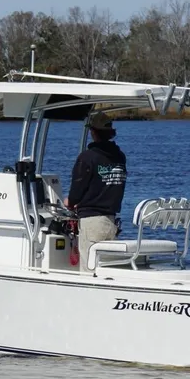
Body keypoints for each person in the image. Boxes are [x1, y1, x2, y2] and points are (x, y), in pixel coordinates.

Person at [63, 112, 127, 273]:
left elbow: (77, 188)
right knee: (106, 268)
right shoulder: (119, 157)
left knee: (89, 269)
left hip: (92, 221)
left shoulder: (87, 158)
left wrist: (70, 202)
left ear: (93, 132)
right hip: (111, 221)